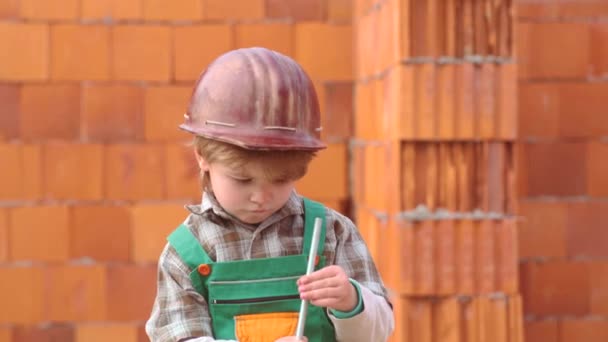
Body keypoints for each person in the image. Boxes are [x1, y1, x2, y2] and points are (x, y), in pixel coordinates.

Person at [145, 47, 394, 342]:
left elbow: (377, 335)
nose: (260, 197)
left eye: (279, 180)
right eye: (242, 180)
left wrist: (352, 302)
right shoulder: (185, 254)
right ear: (203, 157)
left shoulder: (331, 232)